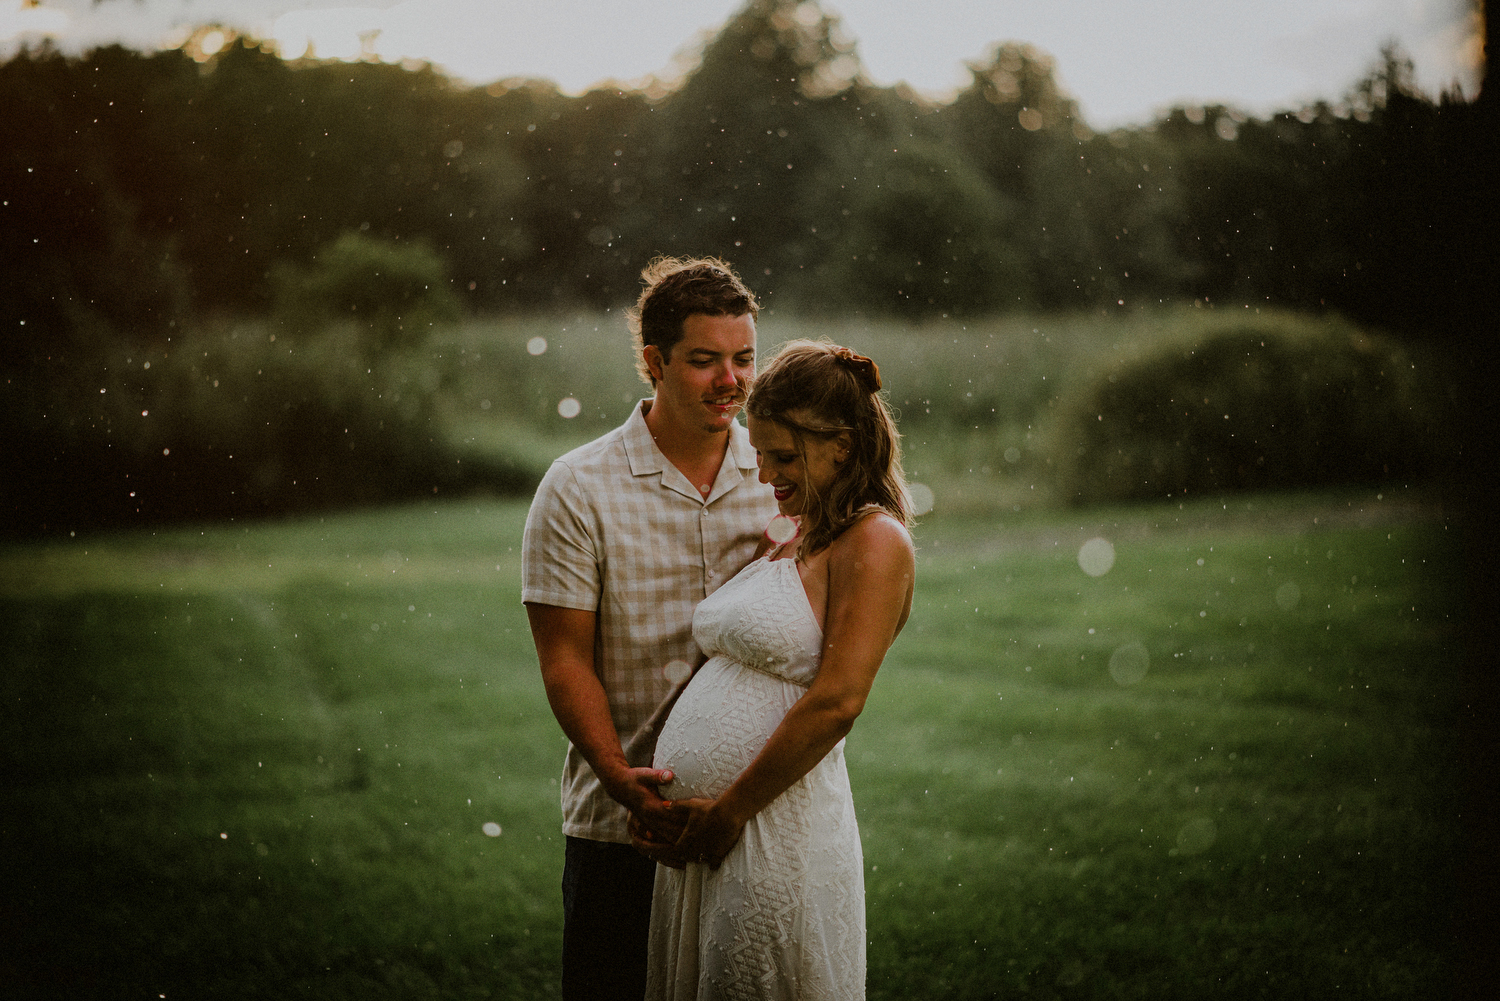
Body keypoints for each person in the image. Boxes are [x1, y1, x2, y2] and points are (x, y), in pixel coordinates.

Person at [522, 258, 780, 1000]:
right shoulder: (577, 487)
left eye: (743, 358)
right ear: (653, 362)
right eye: (704, 361)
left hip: (747, 819)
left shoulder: (780, 473)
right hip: (618, 826)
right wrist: (620, 779)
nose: (730, 379)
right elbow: (565, 658)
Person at [634, 339, 916, 1000]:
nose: (765, 475)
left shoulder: (875, 540)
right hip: (713, 830)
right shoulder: (802, 531)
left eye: (783, 457)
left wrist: (729, 811)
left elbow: (837, 701)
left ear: (840, 446)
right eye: (759, 454)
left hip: (768, 825)